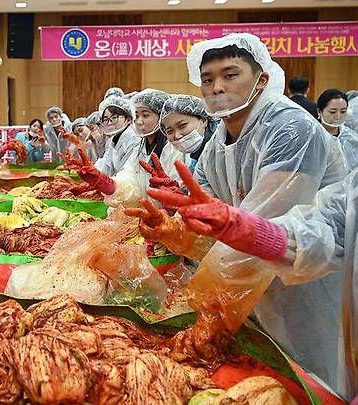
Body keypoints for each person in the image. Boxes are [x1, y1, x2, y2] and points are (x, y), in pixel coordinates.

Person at [134, 33, 347, 391]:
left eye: (230, 75)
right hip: (253, 297)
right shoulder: (219, 143)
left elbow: (262, 232)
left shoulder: (290, 129)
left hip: (307, 289)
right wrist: (175, 231)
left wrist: (206, 312)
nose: (217, 87)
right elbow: (211, 223)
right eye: (207, 79)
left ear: (261, 79)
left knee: (310, 384)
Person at [146, 160, 358, 402]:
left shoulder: (296, 136)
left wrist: (241, 234)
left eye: (182, 126)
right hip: (260, 299)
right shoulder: (214, 152)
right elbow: (328, 229)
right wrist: (246, 231)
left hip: (301, 303)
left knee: (316, 379)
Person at [158, 94, 218, 174]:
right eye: (169, 131)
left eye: (182, 125)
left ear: (203, 120)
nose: (177, 136)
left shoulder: (219, 148)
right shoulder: (197, 155)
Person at [317, 88, 358, 171]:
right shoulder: (313, 137)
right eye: (332, 112)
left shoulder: (351, 137)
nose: (338, 116)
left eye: (343, 111)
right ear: (319, 112)